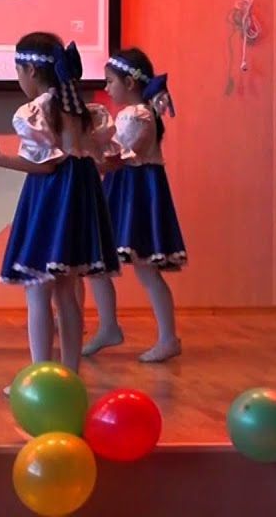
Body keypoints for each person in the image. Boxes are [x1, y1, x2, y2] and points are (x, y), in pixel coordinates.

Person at [0, 31, 119, 385]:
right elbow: (103, 157)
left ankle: (40, 376)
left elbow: (44, 165)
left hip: (51, 197)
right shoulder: (82, 110)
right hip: (79, 195)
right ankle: (70, 374)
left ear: (31, 71)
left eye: (18, 71)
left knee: (38, 288)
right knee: (66, 290)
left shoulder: (36, 111)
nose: (18, 79)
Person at [83, 49, 185, 363]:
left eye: (110, 81)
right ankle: (109, 326)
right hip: (122, 188)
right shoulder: (134, 114)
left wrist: (93, 162)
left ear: (129, 82)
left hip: (136, 192)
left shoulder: (139, 115)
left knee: (143, 269)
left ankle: (167, 337)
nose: (107, 87)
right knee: (98, 262)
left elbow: (124, 154)